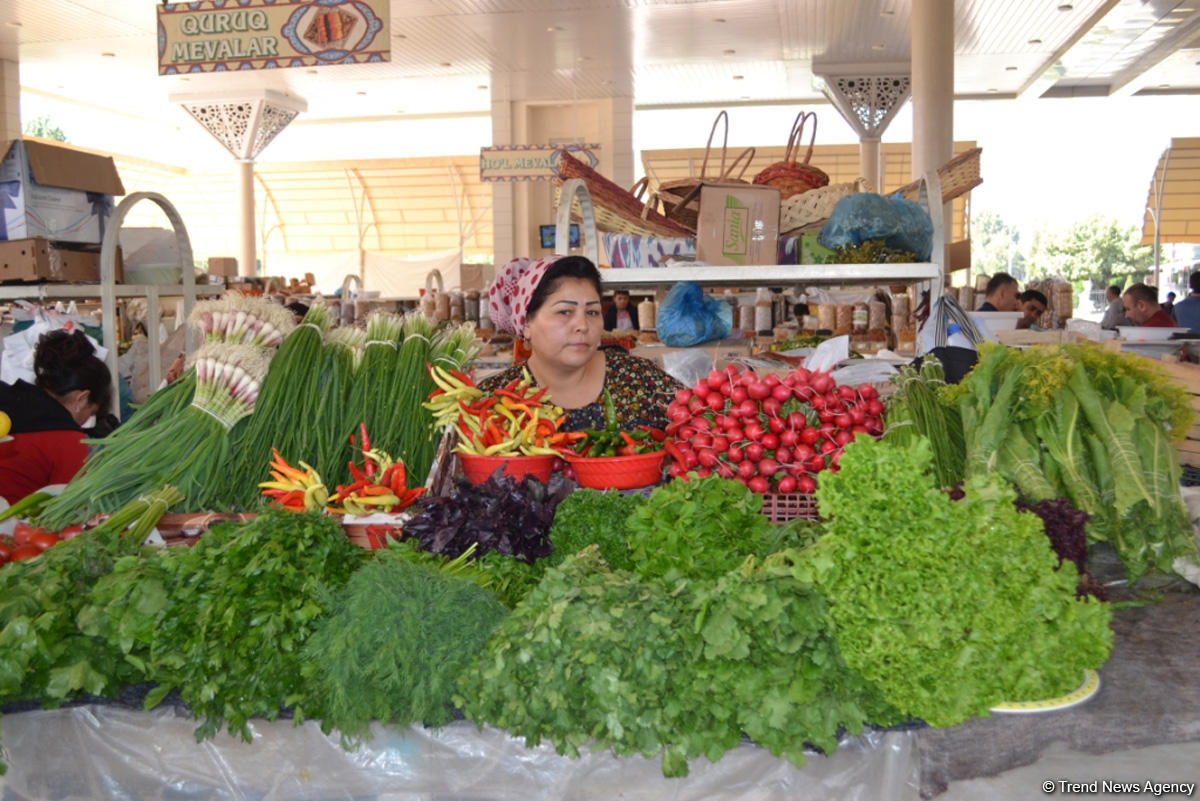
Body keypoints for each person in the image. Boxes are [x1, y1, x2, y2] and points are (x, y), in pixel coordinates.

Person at [482, 255, 682, 431]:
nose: (583, 325)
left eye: (592, 312)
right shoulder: (493, 398)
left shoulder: (641, 379)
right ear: (526, 323)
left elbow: (703, 423)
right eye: (564, 312)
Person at [0, 329, 113, 503]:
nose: (84, 422)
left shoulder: (8, 401)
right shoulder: (67, 440)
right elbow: (69, 508)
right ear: (81, 399)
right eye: (90, 414)